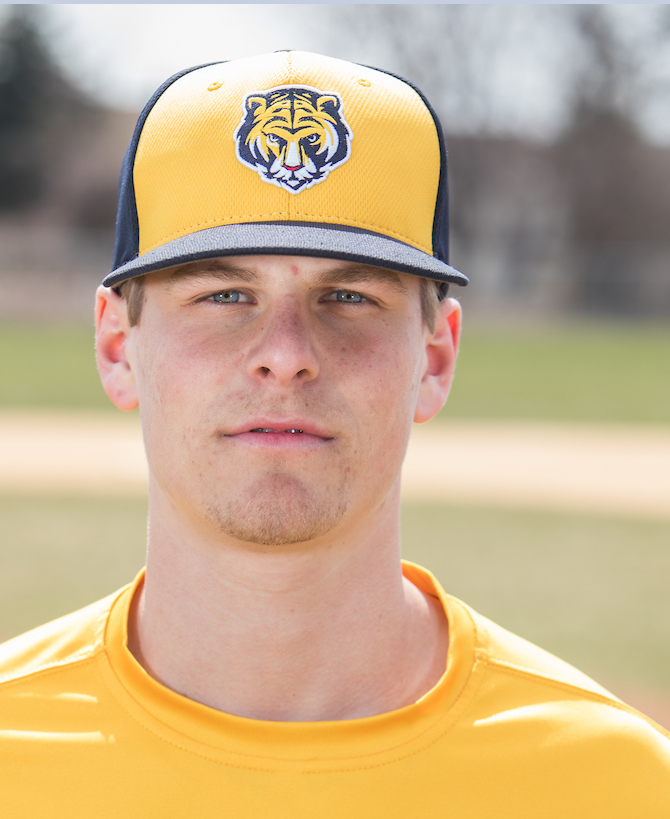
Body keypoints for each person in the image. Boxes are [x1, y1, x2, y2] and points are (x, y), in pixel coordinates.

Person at [0, 51, 668, 816]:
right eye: (224, 293)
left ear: (436, 356)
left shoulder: (613, 785)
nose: (286, 354)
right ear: (118, 345)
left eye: (348, 294)